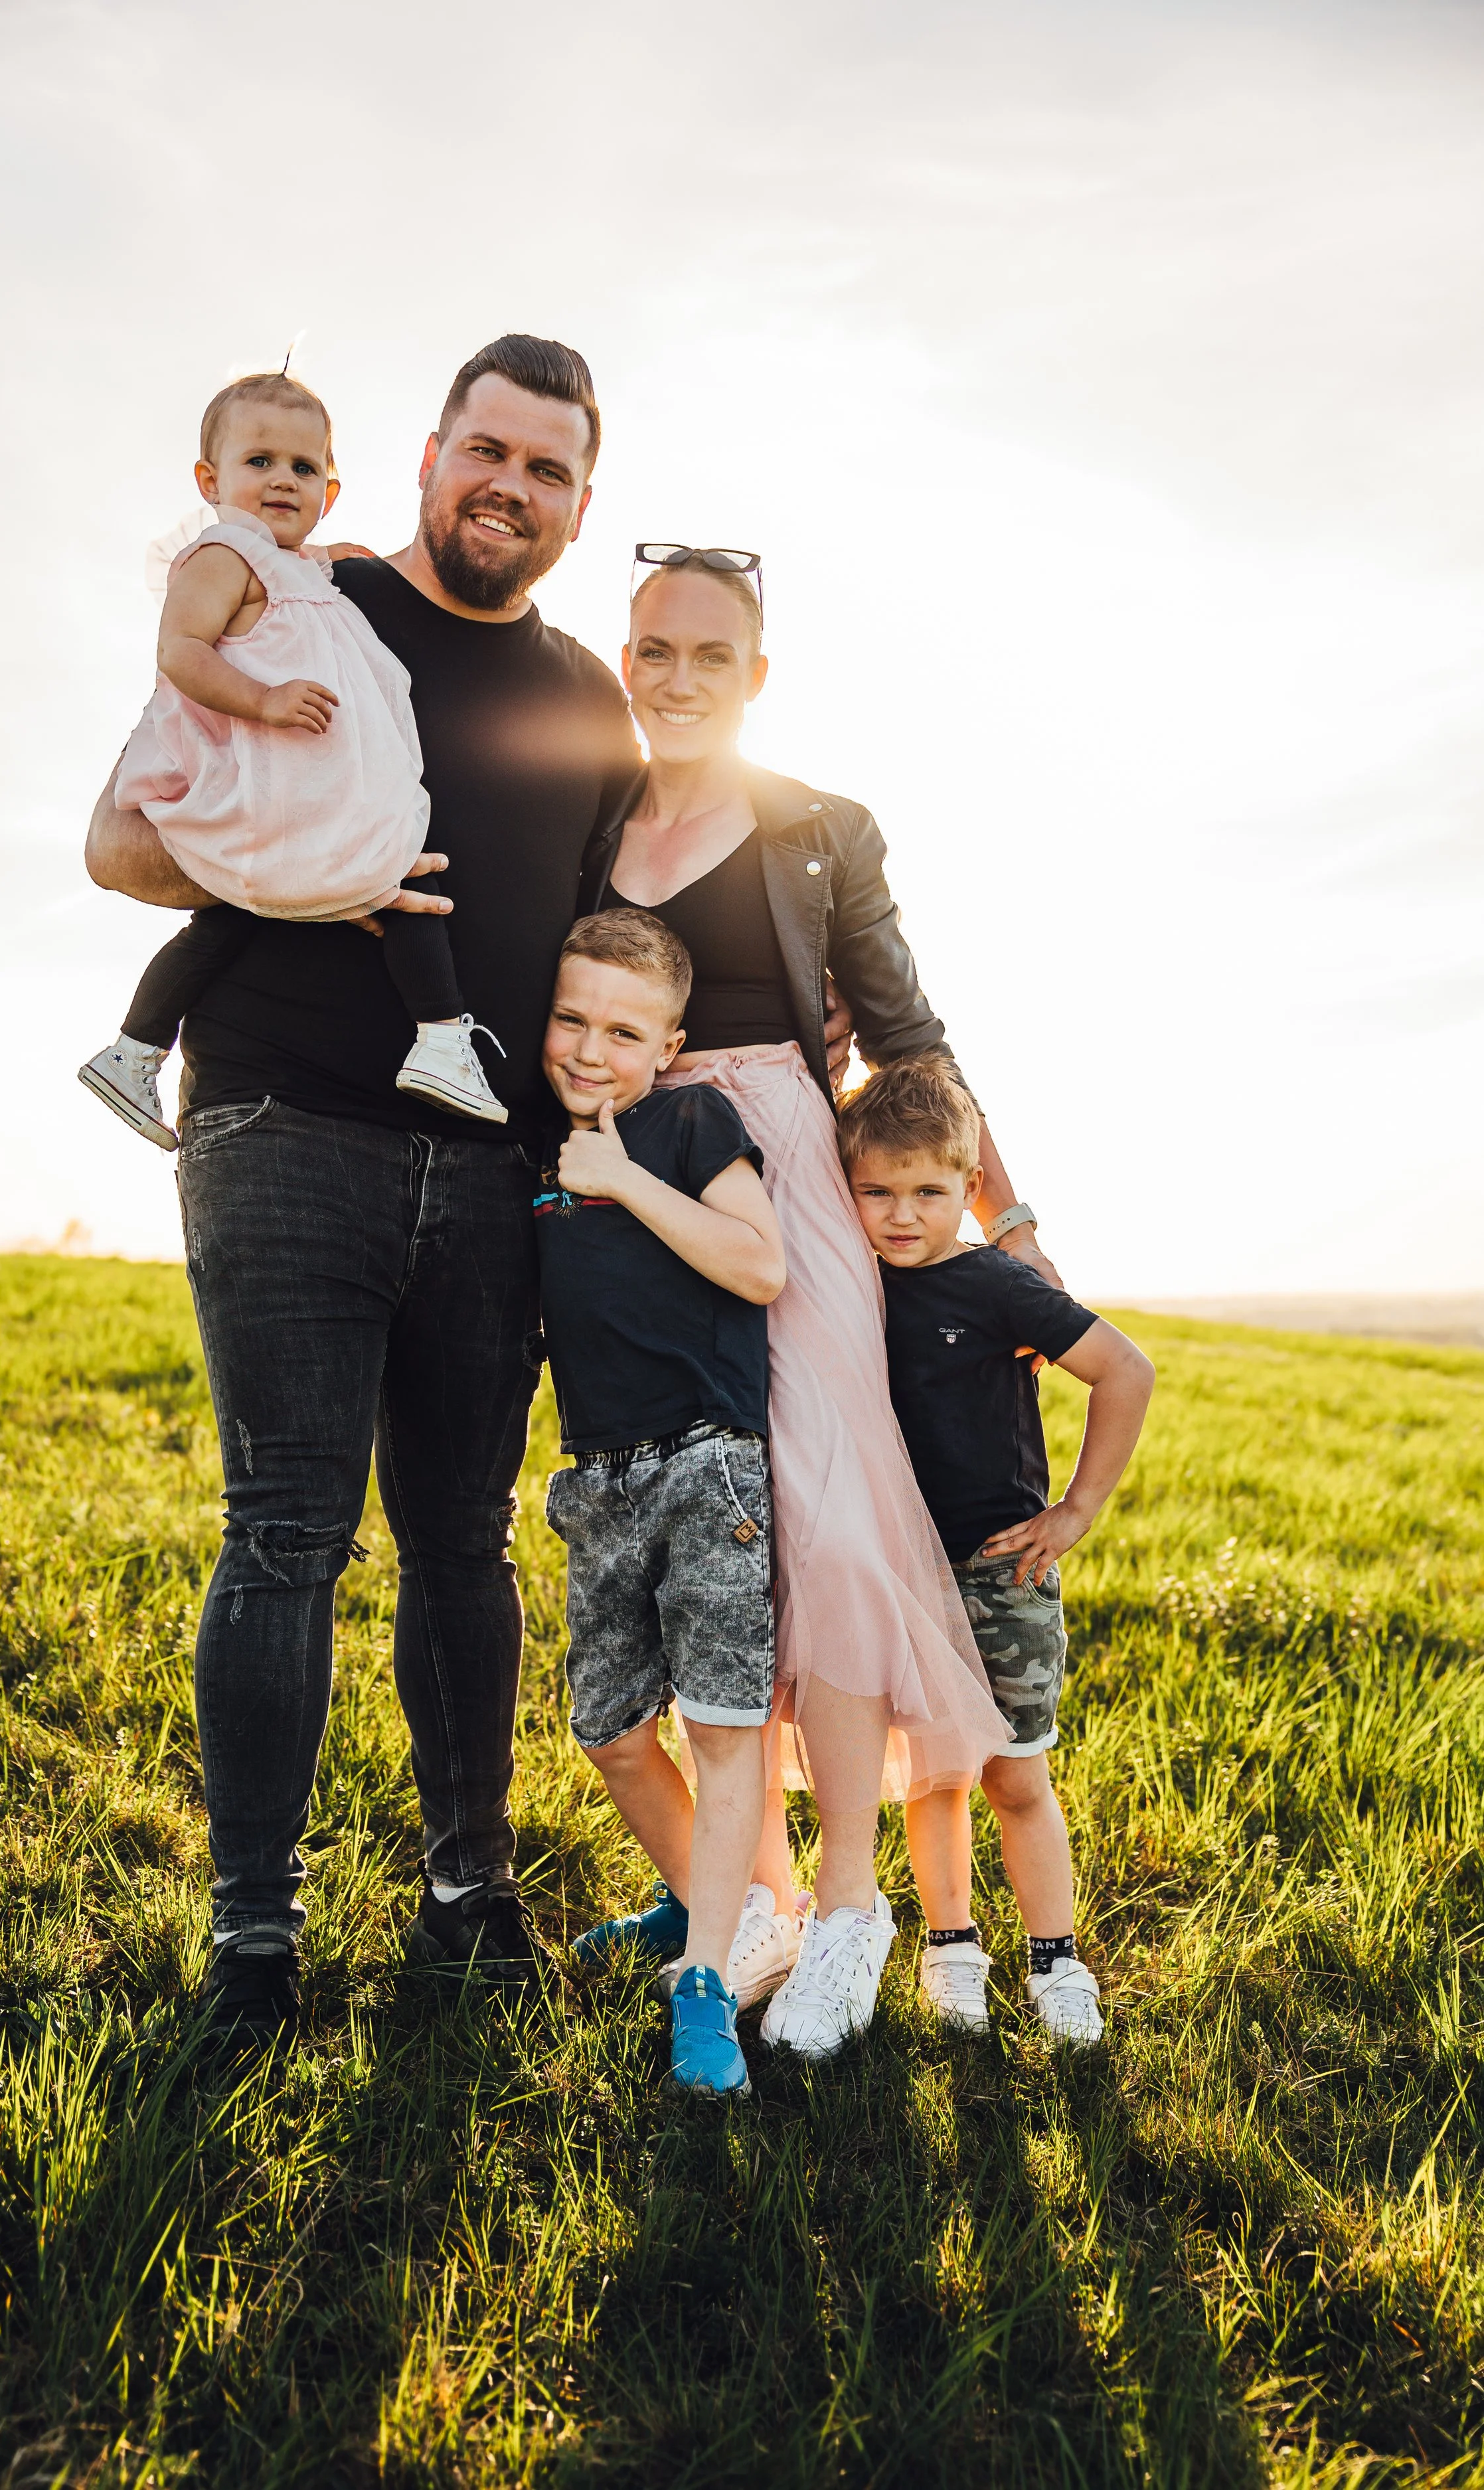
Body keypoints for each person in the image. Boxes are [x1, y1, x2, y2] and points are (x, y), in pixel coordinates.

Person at [84, 335, 641, 2058]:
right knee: (284, 1531)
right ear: (428, 450)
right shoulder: (298, 598)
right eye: (489, 449)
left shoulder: (583, 693)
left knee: (463, 1541)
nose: (510, 487)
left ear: (574, 502)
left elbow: (619, 933)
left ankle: (468, 1888)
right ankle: (255, 1933)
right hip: (281, 1121)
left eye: (546, 469)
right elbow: (121, 841)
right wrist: (311, 872)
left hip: (491, 1167)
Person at [570, 544, 1060, 2061]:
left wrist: (1013, 1217)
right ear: (627, 655)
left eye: (709, 654)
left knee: (837, 1524)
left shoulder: (818, 830)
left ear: (757, 673)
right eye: (652, 648)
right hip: (644, 1182)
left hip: (788, 1164)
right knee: (727, 1541)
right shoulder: (588, 818)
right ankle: (756, 1896)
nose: (675, 676)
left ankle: (852, 1908)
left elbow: (908, 1038)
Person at [79, 369, 507, 1144]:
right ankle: (442, 1039)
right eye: (260, 462)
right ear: (211, 480)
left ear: (329, 492)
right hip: (254, 774)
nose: (283, 480)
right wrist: (263, 700)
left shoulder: (298, 567)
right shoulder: (222, 552)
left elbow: (298, 596)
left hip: (294, 782)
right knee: (395, 869)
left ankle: (136, 1048)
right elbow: (180, 649)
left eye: (304, 468)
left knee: (237, 920)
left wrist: (329, 558)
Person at [841, 1055, 1154, 2044]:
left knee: (1016, 1775)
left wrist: (1076, 1510)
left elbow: (1125, 1369)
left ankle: (1056, 1960)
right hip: (901, 1574)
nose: (902, 1213)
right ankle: (951, 1945)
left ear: (970, 1188)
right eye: (877, 1190)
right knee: (933, 1777)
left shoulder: (997, 1285)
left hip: (1001, 1570)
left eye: (930, 1191)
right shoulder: (851, 1292)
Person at [537, 910, 785, 2095]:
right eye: (570, 1019)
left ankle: (705, 1981)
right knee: (610, 1732)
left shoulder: (689, 1122)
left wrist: (625, 1179)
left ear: (669, 1044)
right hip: (597, 1478)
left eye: (624, 1030)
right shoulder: (537, 1153)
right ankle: (719, 1907)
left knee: (722, 1727)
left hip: (708, 1466)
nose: (592, 1049)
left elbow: (760, 1266)